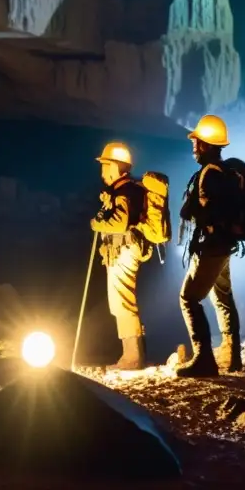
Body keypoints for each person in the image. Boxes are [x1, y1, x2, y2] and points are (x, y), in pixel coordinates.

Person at [174, 114, 242, 378]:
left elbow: (209, 214)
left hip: (211, 247)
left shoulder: (209, 176)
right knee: (222, 296)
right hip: (225, 247)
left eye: (197, 141)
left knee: (189, 298)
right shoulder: (225, 173)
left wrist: (196, 213)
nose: (193, 145)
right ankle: (232, 355)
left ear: (206, 145)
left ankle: (204, 358)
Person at [90, 142, 150, 370]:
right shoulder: (128, 189)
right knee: (121, 302)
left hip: (124, 251)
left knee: (122, 301)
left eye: (105, 166)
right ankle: (132, 354)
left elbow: (121, 222)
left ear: (115, 167)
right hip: (125, 250)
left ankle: (132, 357)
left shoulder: (123, 191)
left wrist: (98, 223)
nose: (102, 171)